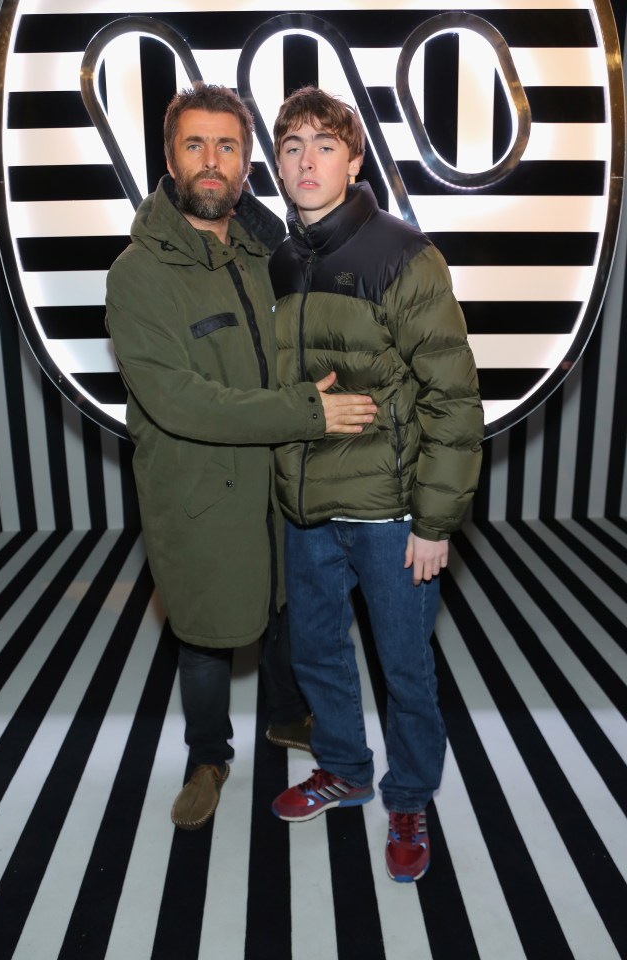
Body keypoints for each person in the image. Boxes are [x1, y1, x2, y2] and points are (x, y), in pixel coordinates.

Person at [105, 82, 377, 831]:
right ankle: (207, 756)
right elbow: (182, 402)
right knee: (204, 631)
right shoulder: (139, 274)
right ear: (168, 157)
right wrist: (305, 410)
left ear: (246, 159)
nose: (212, 160)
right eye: (196, 144)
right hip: (200, 490)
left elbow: (278, 352)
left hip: (276, 478)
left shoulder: (263, 252)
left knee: (290, 611)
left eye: (227, 145)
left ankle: (290, 718)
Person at [268, 87, 484, 882]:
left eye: (324, 145)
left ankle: (410, 795)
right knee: (319, 652)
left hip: (392, 513)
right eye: (291, 147)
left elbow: (454, 399)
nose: (306, 161)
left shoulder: (403, 254)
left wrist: (436, 519)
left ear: (354, 160)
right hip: (305, 506)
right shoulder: (283, 259)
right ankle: (346, 770)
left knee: (405, 664)